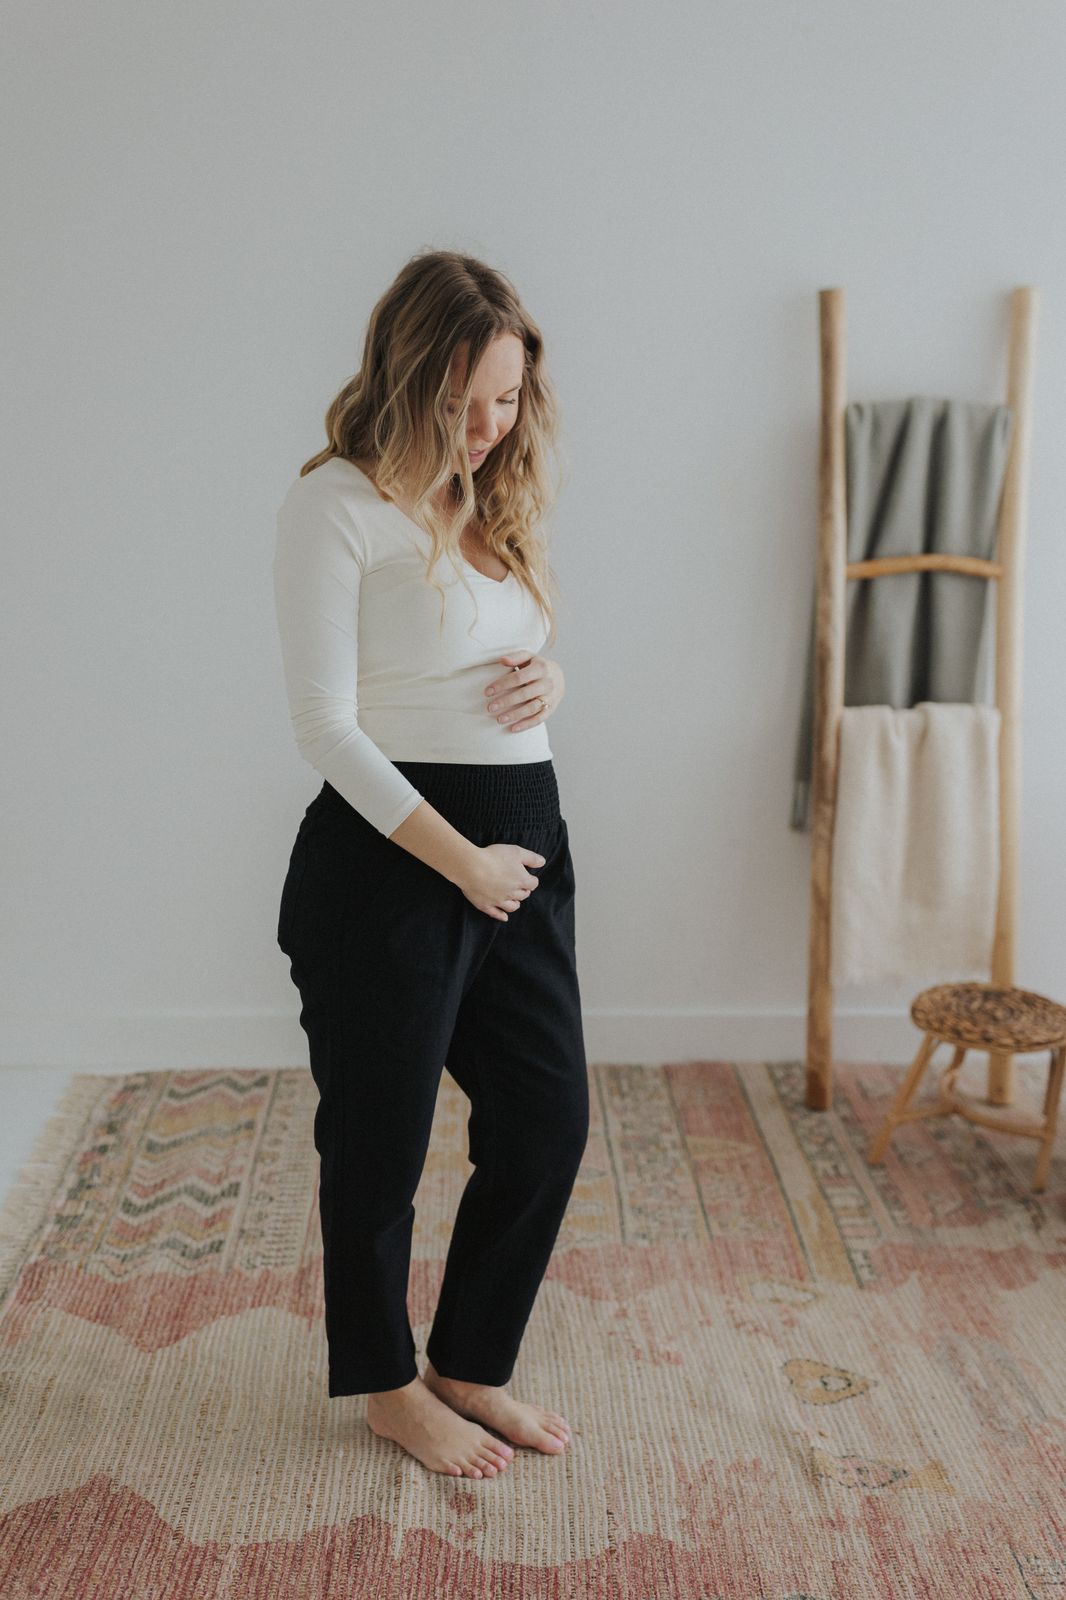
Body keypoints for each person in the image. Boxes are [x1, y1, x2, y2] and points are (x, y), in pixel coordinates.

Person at [271, 250, 589, 1481]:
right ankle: (388, 1387)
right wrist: (460, 865)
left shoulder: (487, 496)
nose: (487, 424)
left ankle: (467, 1362)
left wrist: (550, 676)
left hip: (525, 852)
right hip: (394, 862)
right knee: (379, 1142)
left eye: (506, 398)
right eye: (462, 401)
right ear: (405, 377)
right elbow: (326, 726)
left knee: (545, 1120)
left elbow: (489, 650)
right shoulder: (335, 505)